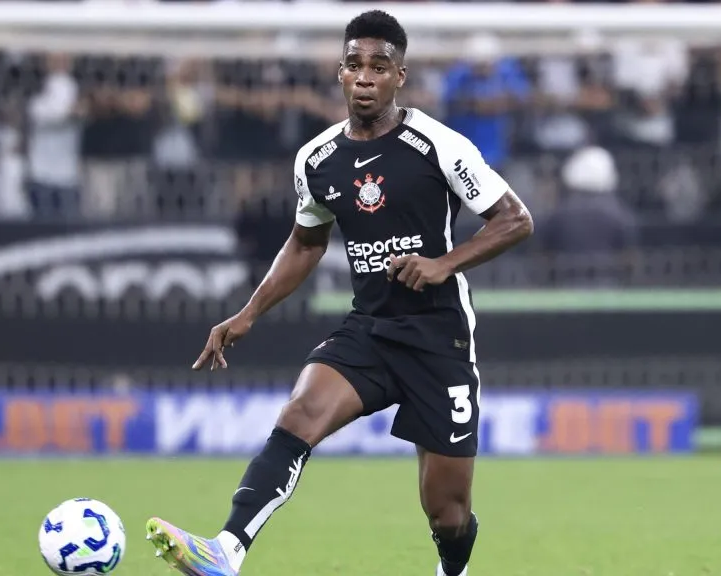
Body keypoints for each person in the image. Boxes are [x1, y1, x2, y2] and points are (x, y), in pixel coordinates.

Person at [146, 10, 534, 576]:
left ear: (400, 75)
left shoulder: (439, 145)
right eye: (355, 65)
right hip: (369, 330)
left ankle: (454, 570)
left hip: (437, 335)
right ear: (340, 74)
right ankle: (225, 551)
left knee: (447, 512)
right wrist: (249, 312)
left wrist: (442, 264)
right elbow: (305, 244)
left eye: (379, 66)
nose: (365, 76)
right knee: (301, 412)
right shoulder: (317, 159)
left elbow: (514, 219)